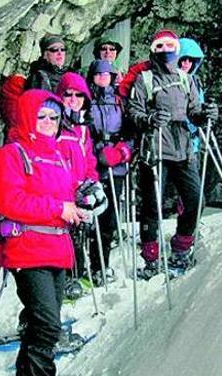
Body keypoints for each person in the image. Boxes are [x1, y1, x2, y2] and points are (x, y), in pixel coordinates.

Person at [0, 89, 89, 376]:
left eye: (54, 118)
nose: (48, 123)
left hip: (56, 249)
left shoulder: (58, 155)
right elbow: (9, 200)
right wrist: (58, 209)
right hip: (28, 249)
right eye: (42, 117)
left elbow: (66, 194)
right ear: (28, 117)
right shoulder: (13, 154)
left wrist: (81, 199)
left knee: (39, 327)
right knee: (46, 326)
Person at [126, 30, 218, 279]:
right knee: (152, 207)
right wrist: (149, 119)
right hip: (155, 150)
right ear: (153, 50)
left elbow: (194, 113)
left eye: (170, 45)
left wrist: (206, 114)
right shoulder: (145, 80)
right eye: (160, 45)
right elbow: (133, 112)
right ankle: (151, 258)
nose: (165, 50)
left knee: (195, 200)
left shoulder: (186, 80)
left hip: (183, 149)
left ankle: (181, 246)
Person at [55, 72, 104, 290]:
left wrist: (93, 182)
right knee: (63, 239)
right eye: (68, 94)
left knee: (80, 235)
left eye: (79, 95)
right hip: (61, 194)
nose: (73, 99)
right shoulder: (53, 126)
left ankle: (76, 276)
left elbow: (89, 160)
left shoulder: (82, 128)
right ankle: (63, 282)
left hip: (80, 190)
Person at [87, 59, 133, 283]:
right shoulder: (86, 101)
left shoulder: (120, 101)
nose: (103, 78)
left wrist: (122, 152)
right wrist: (96, 153)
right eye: (99, 74)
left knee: (108, 220)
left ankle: (100, 265)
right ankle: (83, 265)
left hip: (116, 166)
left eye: (107, 74)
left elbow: (132, 132)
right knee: (90, 218)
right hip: (93, 166)